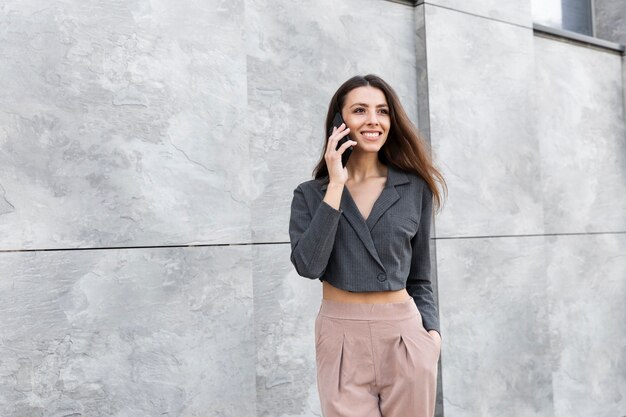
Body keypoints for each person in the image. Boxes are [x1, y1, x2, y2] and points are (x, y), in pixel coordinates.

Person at [288, 74, 447, 417]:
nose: (373, 120)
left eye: (382, 111)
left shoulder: (413, 188)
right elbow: (309, 266)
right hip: (340, 336)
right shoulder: (309, 194)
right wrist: (335, 185)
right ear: (339, 122)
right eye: (359, 110)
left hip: (405, 335)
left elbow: (420, 276)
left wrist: (431, 337)